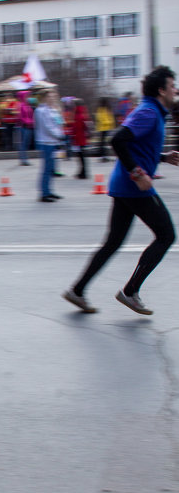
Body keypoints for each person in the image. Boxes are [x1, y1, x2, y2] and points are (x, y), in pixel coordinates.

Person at [63, 65, 178, 315]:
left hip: (124, 186)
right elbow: (117, 140)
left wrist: (163, 157)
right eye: (172, 86)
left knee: (113, 242)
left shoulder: (153, 111)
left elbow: (138, 147)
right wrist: (137, 174)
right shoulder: (148, 112)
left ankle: (78, 290)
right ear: (161, 90)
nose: (175, 90)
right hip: (133, 187)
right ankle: (130, 291)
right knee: (167, 235)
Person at [34, 90, 64, 202]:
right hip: (46, 142)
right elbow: (47, 127)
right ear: (44, 98)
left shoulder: (52, 109)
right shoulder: (41, 111)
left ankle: (49, 190)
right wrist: (59, 135)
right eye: (49, 97)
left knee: (51, 168)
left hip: (54, 142)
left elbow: (59, 123)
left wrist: (58, 111)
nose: (52, 99)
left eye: (53, 97)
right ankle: (44, 193)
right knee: (46, 168)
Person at [72, 99, 91, 180]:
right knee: (82, 157)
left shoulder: (78, 115)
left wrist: (74, 136)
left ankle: (83, 173)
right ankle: (82, 172)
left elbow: (77, 128)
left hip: (79, 140)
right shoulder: (83, 114)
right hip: (82, 139)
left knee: (81, 157)